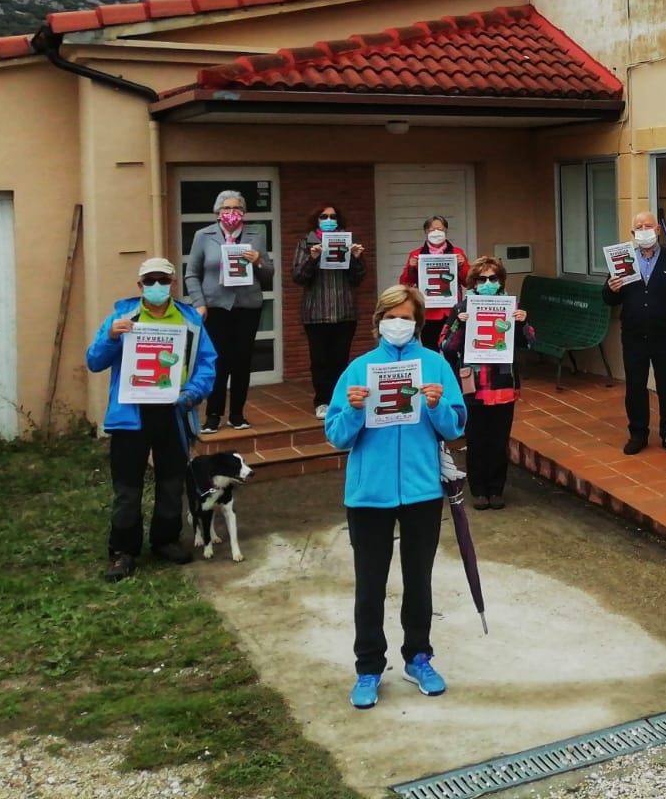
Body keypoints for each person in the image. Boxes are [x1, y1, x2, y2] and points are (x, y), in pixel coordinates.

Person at [326, 284, 467, 710]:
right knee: (370, 584)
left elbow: (456, 426)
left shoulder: (435, 364)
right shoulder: (358, 369)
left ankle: (418, 657)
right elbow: (335, 435)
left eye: (406, 317)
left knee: (418, 581)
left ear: (418, 323)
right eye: (391, 316)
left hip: (422, 491)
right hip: (369, 495)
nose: (398, 324)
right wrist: (352, 410)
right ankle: (368, 666)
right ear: (378, 322)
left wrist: (439, 406)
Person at [86, 257, 218, 583]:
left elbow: (207, 364)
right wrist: (111, 338)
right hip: (130, 414)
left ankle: (165, 540)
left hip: (172, 412)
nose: (156, 285)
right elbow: (94, 361)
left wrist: (191, 393)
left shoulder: (189, 320)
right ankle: (123, 550)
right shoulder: (122, 317)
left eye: (162, 279)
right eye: (149, 280)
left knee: (172, 481)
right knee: (127, 486)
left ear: (173, 283)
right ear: (139, 285)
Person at [602, 210, 666, 454]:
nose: (644, 230)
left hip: (664, 334)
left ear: (658, 230)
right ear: (632, 233)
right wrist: (611, 288)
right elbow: (607, 299)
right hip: (634, 334)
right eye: (639, 226)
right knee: (635, 387)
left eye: (648, 225)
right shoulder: (622, 260)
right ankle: (638, 434)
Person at [437, 256, 534, 510]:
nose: (488, 283)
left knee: (498, 440)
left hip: (503, 383)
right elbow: (446, 347)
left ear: (500, 280)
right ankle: (478, 490)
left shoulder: (512, 306)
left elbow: (529, 342)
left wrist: (523, 323)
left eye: (493, 278)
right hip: (473, 385)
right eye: (482, 279)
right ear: (473, 282)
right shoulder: (461, 308)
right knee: (477, 439)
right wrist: (461, 324)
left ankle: (496, 490)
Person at [184, 190, 274, 431]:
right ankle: (213, 415)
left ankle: (237, 414)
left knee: (242, 361)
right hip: (216, 308)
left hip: (247, 306)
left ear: (243, 213)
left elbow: (268, 273)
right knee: (218, 361)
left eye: (236, 208)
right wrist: (199, 303)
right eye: (226, 209)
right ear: (218, 212)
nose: (231, 213)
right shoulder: (203, 236)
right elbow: (192, 273)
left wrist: (258, 261)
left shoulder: (255, 236)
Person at [291, 202, 367, 419]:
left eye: (332, 216)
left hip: (344, 311)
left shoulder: (347, 242)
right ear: (316, 220)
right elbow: (298, 277)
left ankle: (339, 399)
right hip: (316, 312)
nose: (328, 220)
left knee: (340, 359)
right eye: (323, 217)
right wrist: (312, 260)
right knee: (320, 360)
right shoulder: (306, 243)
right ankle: (322, 400)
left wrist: (356, 258)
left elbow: (358, 278)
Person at [399, 215, 472, 353]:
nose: (436, 232)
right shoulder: (416, 255)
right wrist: (411, 268)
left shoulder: (457, 253)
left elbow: (468, 282)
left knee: (453, 351)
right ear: (426, 232)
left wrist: (462, 266)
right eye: (432, 229)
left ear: (446, 230)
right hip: (429, 312)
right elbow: (405, 283)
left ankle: (453, 375)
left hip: (453, 311)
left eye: (440, 229)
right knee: (430, 350)